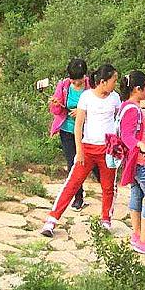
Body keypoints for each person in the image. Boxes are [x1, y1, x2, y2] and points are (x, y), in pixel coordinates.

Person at [42, 63, 120, 237]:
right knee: (72, 183)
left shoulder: (115, 98)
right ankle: (51, 220)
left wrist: (118, 147)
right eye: (113, 80)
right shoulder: (87, 97)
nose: (116, 83)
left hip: (108, 146)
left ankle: (106, 219)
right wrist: (80, 150)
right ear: (103, 82)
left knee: (108, 186)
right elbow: (78, 125)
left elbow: (118, 120)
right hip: (88, 145)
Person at [119, 70, 145, 255]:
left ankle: (137, 234)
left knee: (137, 193)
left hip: (135, 161)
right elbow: (127, 135)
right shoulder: (132, 109)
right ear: (138, 89)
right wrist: (142, 146)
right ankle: (143, 241)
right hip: (142, 161)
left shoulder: (128, 106)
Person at [47, 57, 90, 210]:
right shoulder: (64, 86)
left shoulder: (91, 87)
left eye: (78, 81)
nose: (75, 84)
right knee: (73, 164)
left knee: (94, 164)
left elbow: (97, 107)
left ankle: (108, 192)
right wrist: (56, 104)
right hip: (67, 130)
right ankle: (78, 197)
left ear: (84, 77)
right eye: (73, 81)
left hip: (87, 131)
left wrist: (81, 112)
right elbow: (56, 111)